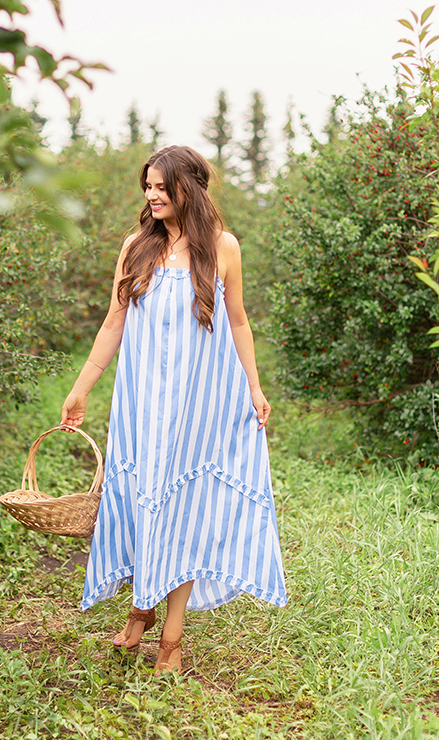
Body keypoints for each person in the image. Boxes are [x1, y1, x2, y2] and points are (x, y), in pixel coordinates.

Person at [60, 144, 287, 674]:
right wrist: (82, 387)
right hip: (143, 403)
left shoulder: (223, 247)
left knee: (184, 507)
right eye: (148, 186)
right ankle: (141, 609)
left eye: (163, 186)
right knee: (145, 499)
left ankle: (171, 639)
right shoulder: (136, 246)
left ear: (190, 188)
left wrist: (254, 387)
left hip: (201, 403)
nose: (152, 195)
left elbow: (238, 323)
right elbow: (114, 323)